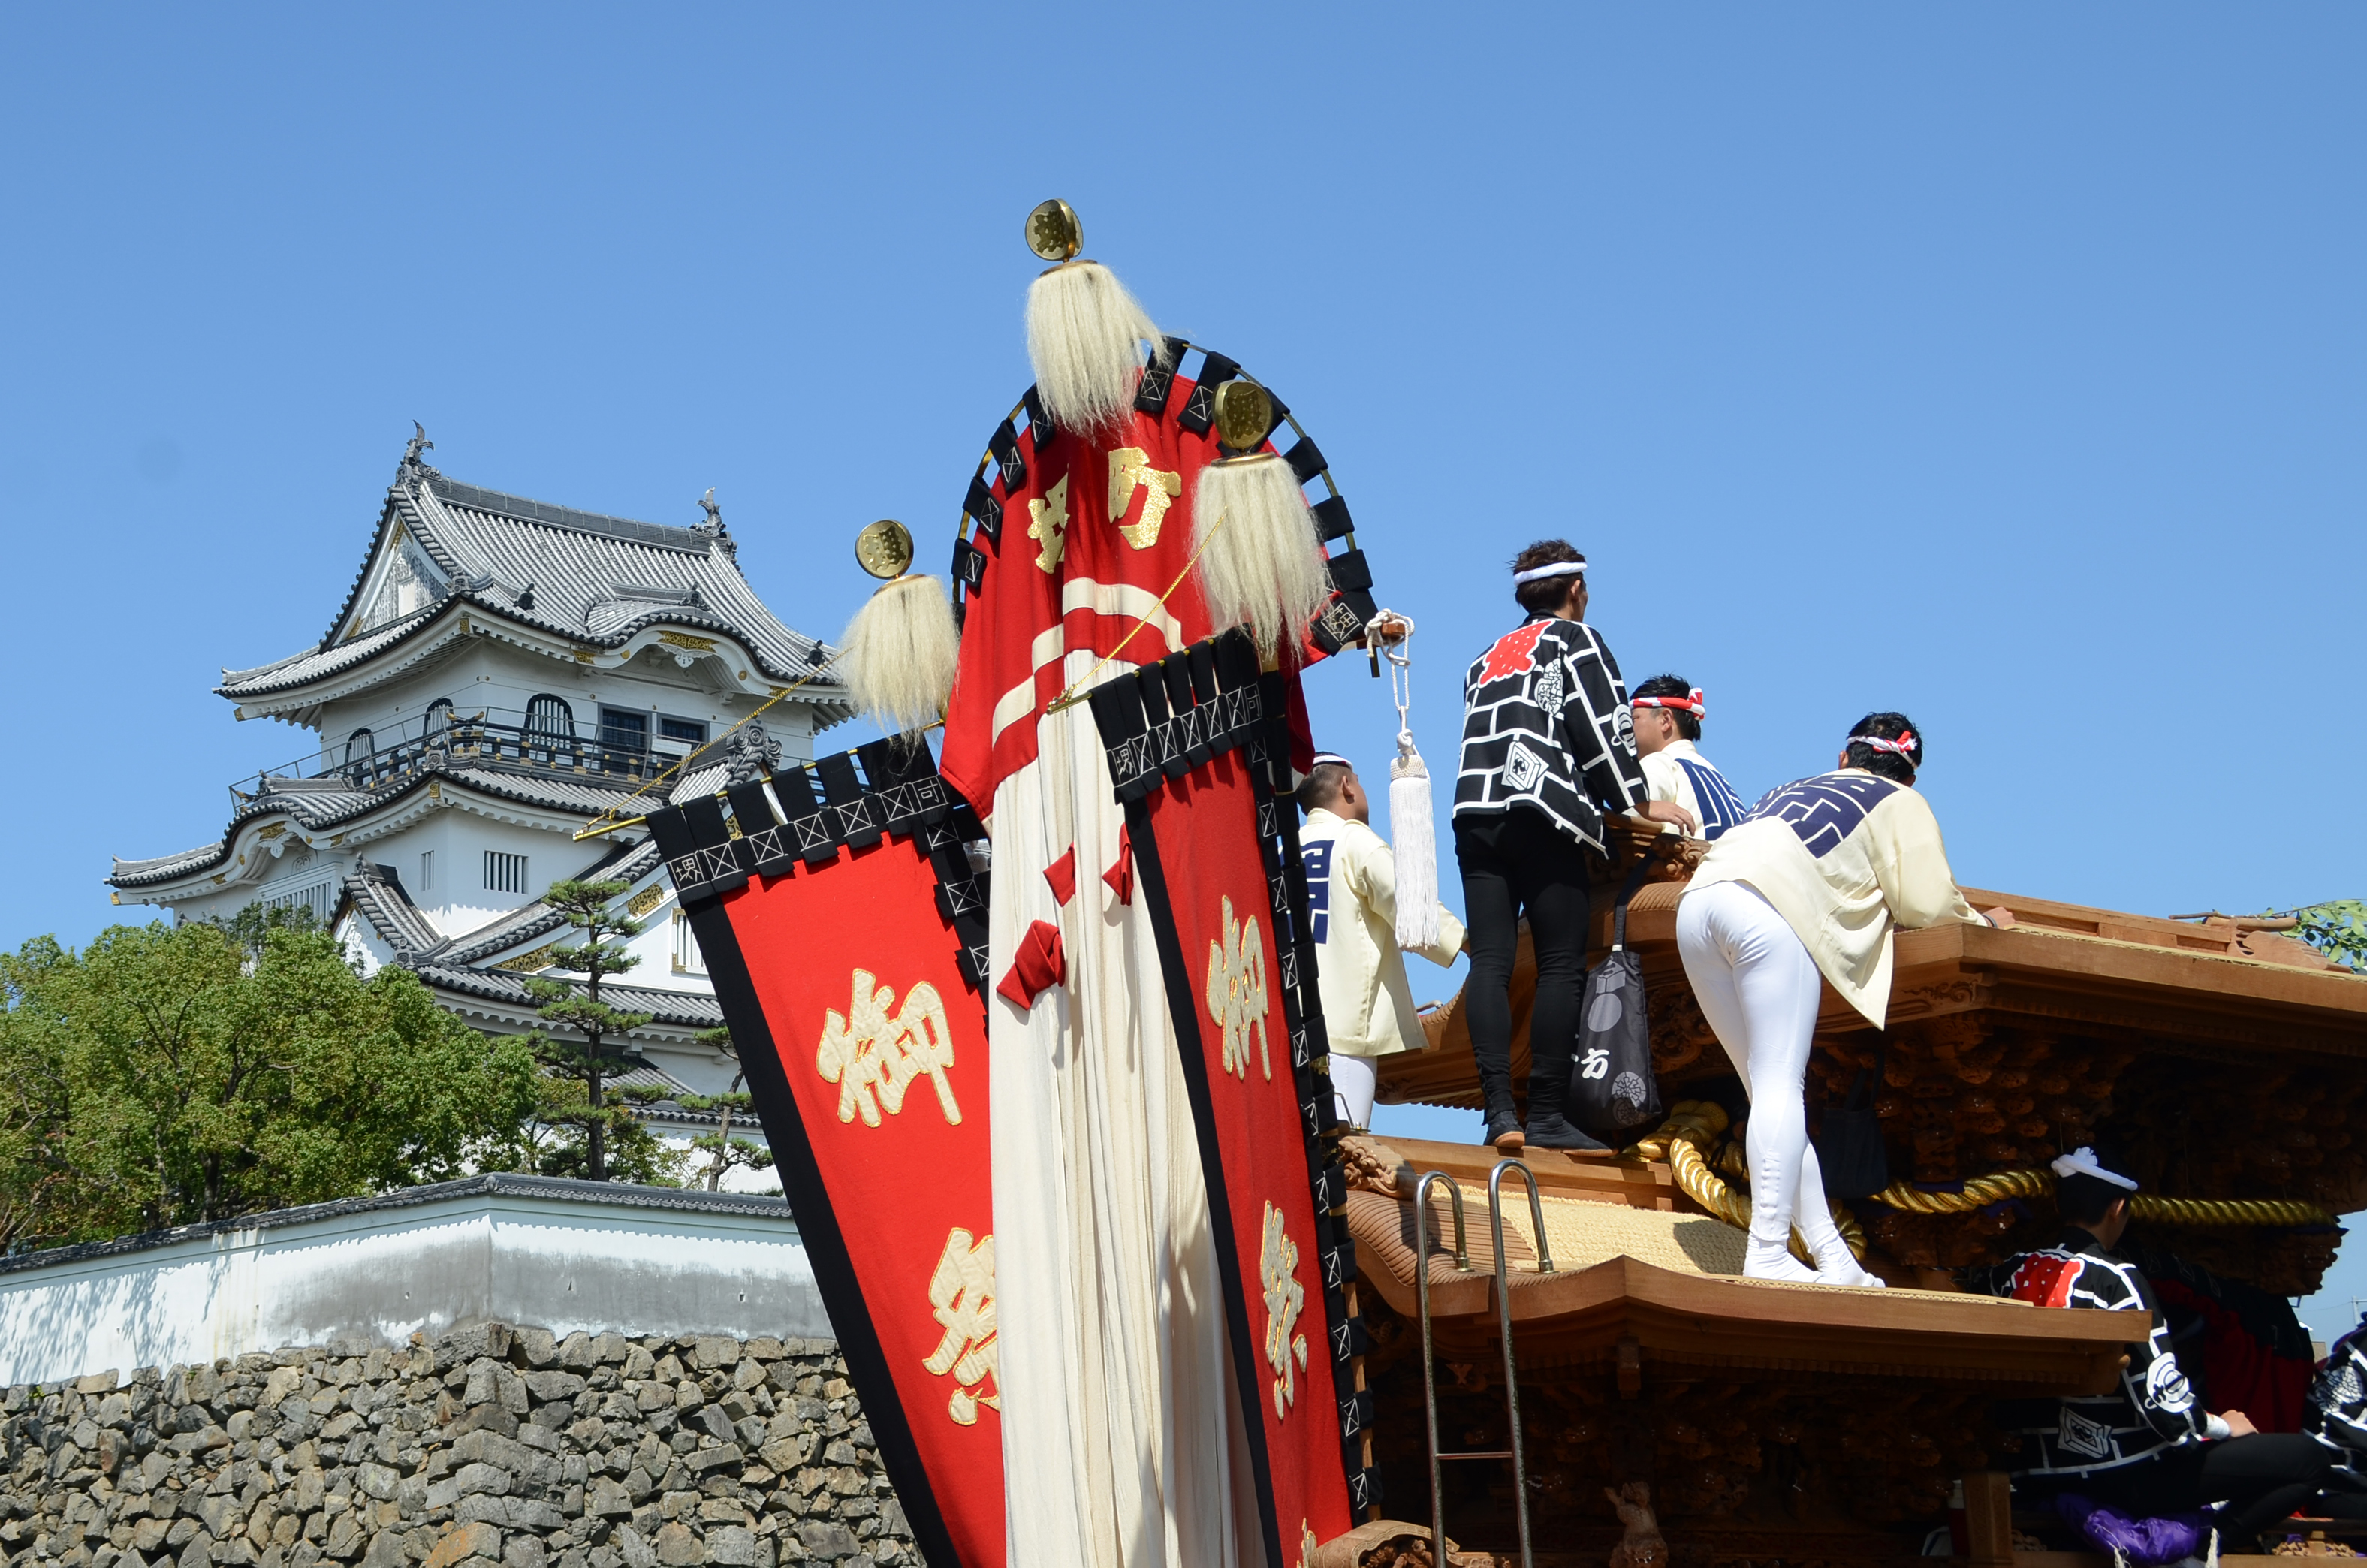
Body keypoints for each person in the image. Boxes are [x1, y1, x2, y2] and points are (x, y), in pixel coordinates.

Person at [1674, 712, 1985, 1286]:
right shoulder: (1898, 800)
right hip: (1768, 912)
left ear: (1844, 759)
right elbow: (1927, 905)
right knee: (1779, 1091)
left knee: (1767, 1093)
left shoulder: (1788, 787)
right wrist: (1984, 920)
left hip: (1697, 907)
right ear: (1908, 776)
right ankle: (1767, 1252)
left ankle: (1832, 1255)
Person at [1455, 541, 1695, 1153]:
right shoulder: (1576, 641)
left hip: (1473, 813)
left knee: (1491, 961)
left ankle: (1499, 1114)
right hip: (1540, 809)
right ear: (1577, 591)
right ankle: (1548, 1116)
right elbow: (1600, 728)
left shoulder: (1484, 658)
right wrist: (1636, 801)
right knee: (1562, 961)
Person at [1992, 1147, 2338, 1550]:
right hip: (2120, 1473)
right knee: (2309, 1459)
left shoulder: (2009, 1272)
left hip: (2031, 1468)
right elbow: (2162, 1404)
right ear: (2118, 1208)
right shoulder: (2116, 1279)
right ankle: (2203, 1548)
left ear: (2057, 1203)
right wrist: (2225, 1425)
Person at [1297, 752, 1466, 1129]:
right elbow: (1409, 905)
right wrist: (1470, 943)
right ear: (1347, 786)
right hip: (1343, 1036)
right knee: (1345, 1157)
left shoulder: (1282, 850)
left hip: (1287, 1031)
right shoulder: (1354, 840)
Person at [1630, 676, 1748, 841]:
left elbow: (1628, 829)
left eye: (1633, 719)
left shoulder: (1659, 763)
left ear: (1666, 720)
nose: (1625, 729)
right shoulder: (1718, 779)